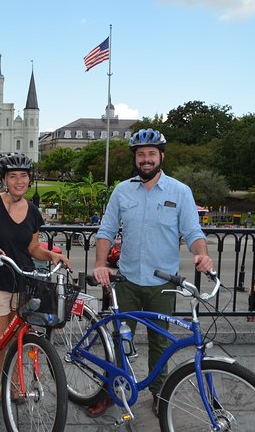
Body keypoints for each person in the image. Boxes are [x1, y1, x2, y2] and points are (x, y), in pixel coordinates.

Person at [89, 129, 214, 418]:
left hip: (163, 285)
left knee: (161, 344)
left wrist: (202, 253)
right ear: (135, 158)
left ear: (161, 157)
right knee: (120, 340)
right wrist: (100, 263)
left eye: (151, 154)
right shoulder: (122, 190)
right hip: (128, 282)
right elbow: (106, 231)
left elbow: (193, 231)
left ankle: (159, 393)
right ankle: (114, 391)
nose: (146, 159)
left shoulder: (180, 191)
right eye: (141, 154)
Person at [0, 152, 71, 416]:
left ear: (29, 179)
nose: (19, 181)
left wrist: (51, 255)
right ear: (4, 179)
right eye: (12, 176)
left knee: (17, 339)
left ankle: (13, 385)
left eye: (23, 176)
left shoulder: (33, 212)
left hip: (23, 281)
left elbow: (33, 248)